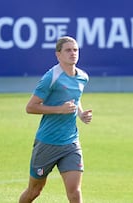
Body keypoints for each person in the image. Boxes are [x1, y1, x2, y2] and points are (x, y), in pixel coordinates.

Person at [19, 36, 92, 203]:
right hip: (47, 142)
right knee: (34, 191)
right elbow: (30, 107)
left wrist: (80, 114)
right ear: (58, 55)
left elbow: (75, 97)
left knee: (75, 193)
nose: (73, 53)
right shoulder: (50, 78)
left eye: (75, 50)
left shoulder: (82, 77)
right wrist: (59, 109)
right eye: (68, 50)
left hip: (71, 143)